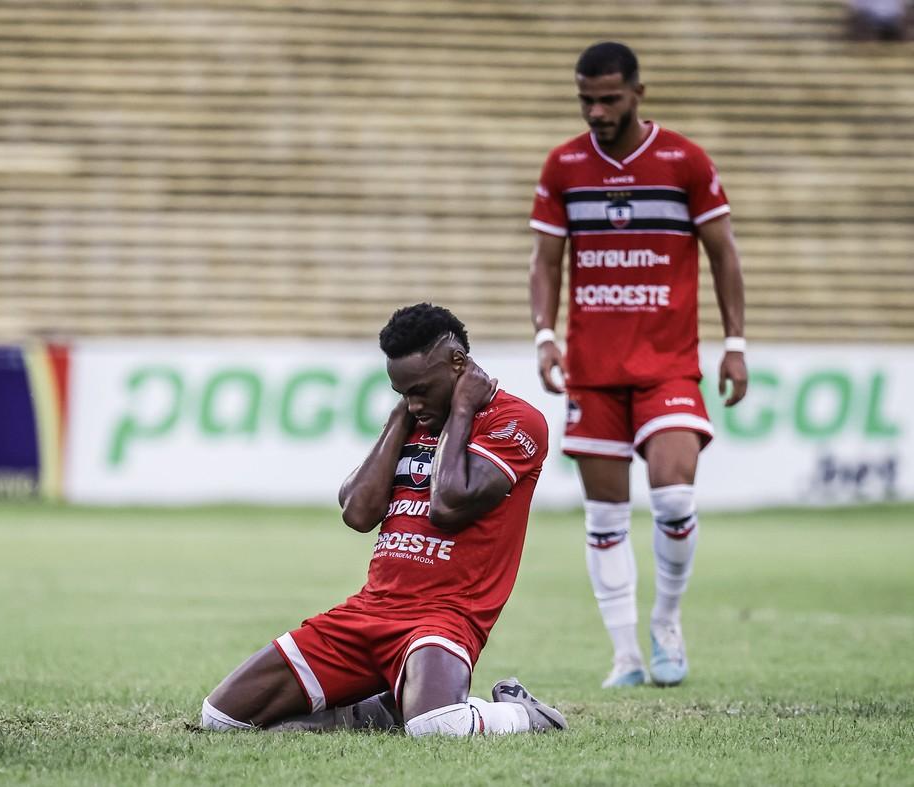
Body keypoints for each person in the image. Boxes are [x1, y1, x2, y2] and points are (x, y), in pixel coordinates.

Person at [201, 303, 567, 736]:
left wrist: (464, 410)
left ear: (458, 365)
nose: (413, 402)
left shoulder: (516, 421)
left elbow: (448, 506)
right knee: (222, 719)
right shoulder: (414, 415)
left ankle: (526, 716)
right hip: (369, 610)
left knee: (437, 728)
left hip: (443, 617)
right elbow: (357, 512)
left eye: (420, 390)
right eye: (402, 392)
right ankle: (380, 709)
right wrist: (400, 417)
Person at [528, 42, 748, 688]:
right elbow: (545, 260)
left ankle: (668, 622)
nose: (596, 111)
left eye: (609, 99)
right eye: (585, 99)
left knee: (675, 495)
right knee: (605, 515)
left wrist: (735, 344)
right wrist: (544, 334)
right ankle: (625, 654)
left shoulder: (685, 160)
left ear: (638, 94)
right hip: (593, 368)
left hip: (668, 364)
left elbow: (724, 253)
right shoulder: (564, 165)